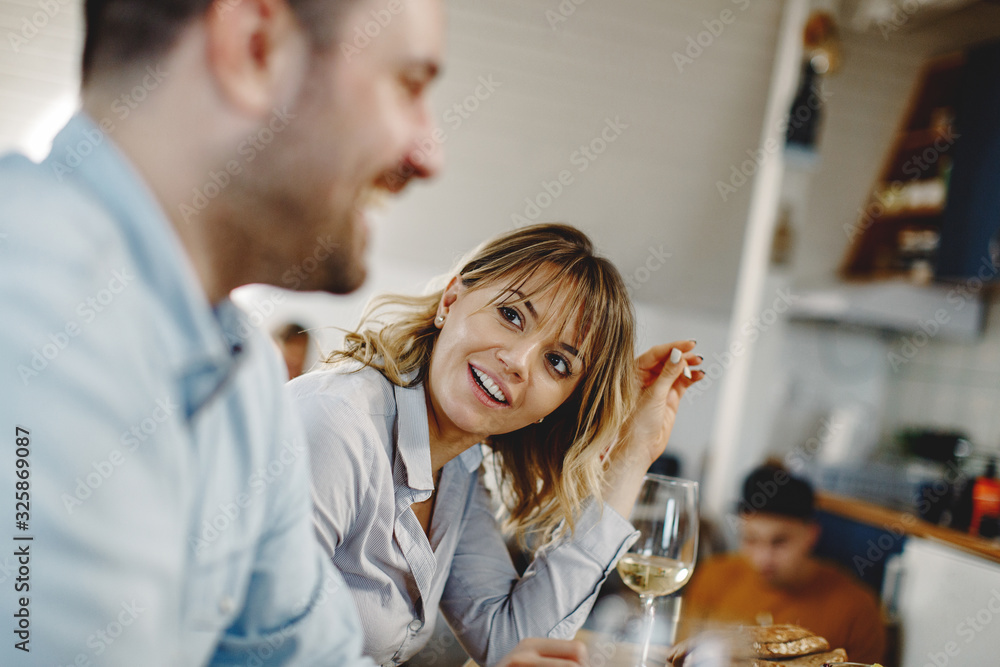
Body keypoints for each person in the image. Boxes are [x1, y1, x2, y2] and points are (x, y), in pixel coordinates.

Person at [0, 0, 590, 665]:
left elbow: (299, 652)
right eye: (408, 85)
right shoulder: (30, 311)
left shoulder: (240, 368)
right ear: (255, 46)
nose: (430, 155)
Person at [288, 223, 705, 666]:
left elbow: (515, 642)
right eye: (511, 315)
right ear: (451, 301)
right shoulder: (336, 425)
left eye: (557, 362)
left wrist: (633, 453)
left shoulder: (459, 469)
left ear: (561, 405)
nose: (518, 361)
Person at [677, 463, 886, 664]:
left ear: (811, 535)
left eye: (780, 542)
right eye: (751, 540)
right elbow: (682, 655)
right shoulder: (713, 576)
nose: (763, 558)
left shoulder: (856, 609)